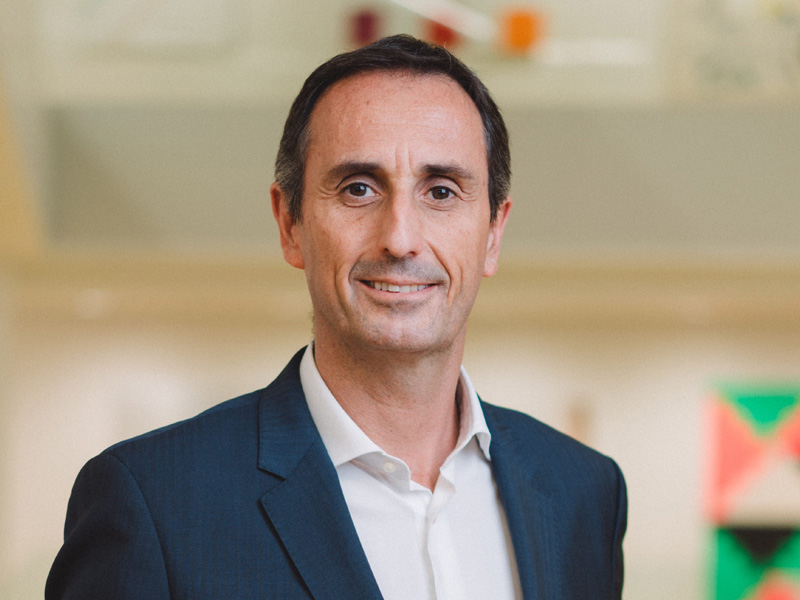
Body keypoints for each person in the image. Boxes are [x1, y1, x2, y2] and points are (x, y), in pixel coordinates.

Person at [46, 34, 626, 600]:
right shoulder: (154, 502)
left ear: (494, 233)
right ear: (290, 224)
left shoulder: (584, 493)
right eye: (358, 189)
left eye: (442, 192)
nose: (400, 238)